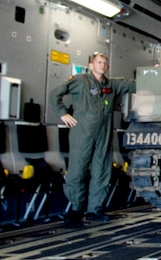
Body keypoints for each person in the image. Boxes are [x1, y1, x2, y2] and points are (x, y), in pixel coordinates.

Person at [50, 52, 136, 227]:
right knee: (77, 169)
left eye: (105, 63)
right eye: (99, 62)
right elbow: (55, 94)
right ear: (91, 65)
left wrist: (156, 74)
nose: (102, 65)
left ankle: (95, 209)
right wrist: (63, 114)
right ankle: (76, 208)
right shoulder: (80, 81)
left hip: (103, 134)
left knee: (102, 170)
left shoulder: (111, 85)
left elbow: (133, 85)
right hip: (82, 132)